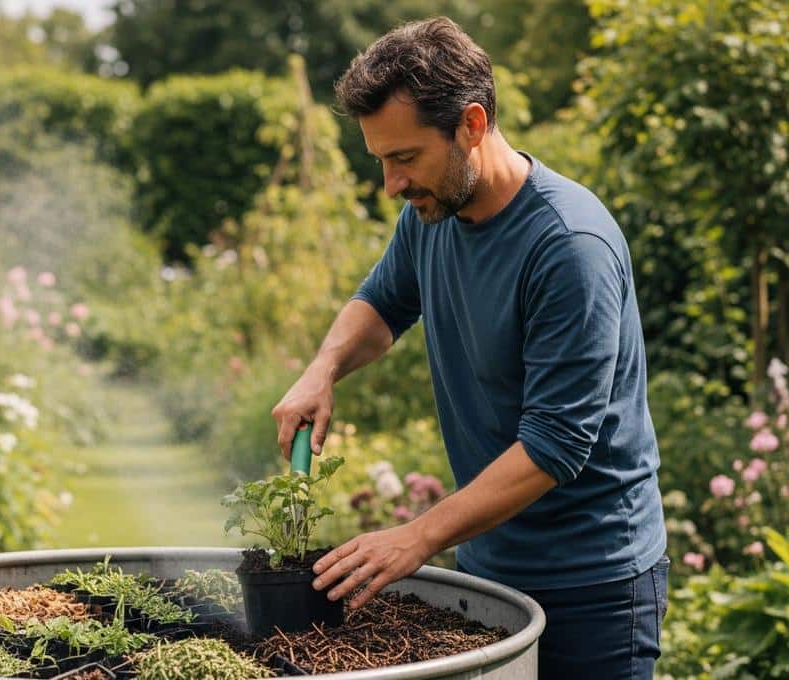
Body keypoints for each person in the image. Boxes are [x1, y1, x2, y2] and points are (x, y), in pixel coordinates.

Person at [270, 17, 669, 680]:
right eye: (381, 161)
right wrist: (323, 368)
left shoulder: (569, 247)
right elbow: (383, 301)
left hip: (594, 588)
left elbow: (556, 443)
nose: (392, 184)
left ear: (472, 124)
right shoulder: (433, 214)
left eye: (404, 158)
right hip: (490, 571)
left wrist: (417, 536)